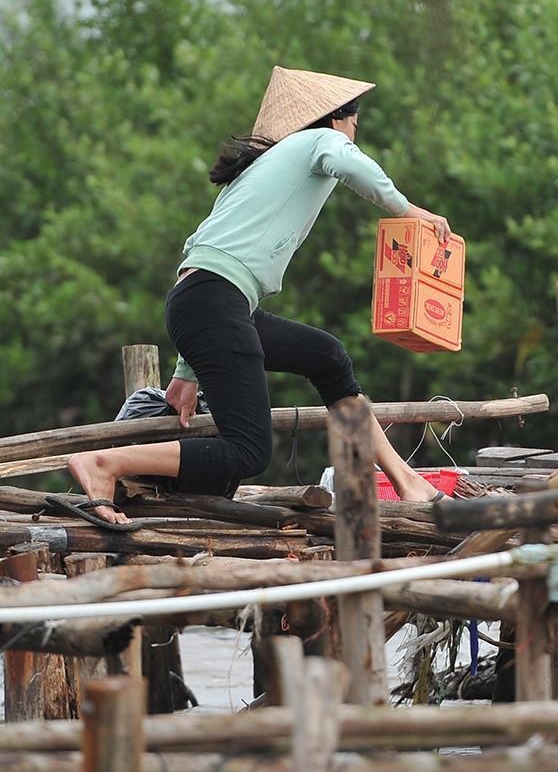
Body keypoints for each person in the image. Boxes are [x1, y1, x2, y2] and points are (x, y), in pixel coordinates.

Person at [66, 66, 453, 521]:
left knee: (326, 356)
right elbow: (345, 160)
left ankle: (406, 482)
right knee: (248, 451)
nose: (354, 132)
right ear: (337, 120)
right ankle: (104, 464)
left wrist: (186, 372)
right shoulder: (317, 141)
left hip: (212, 301)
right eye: (354, 122)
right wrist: (412, 212)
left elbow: (204, 258)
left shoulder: (258, 172)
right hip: (214, 301)